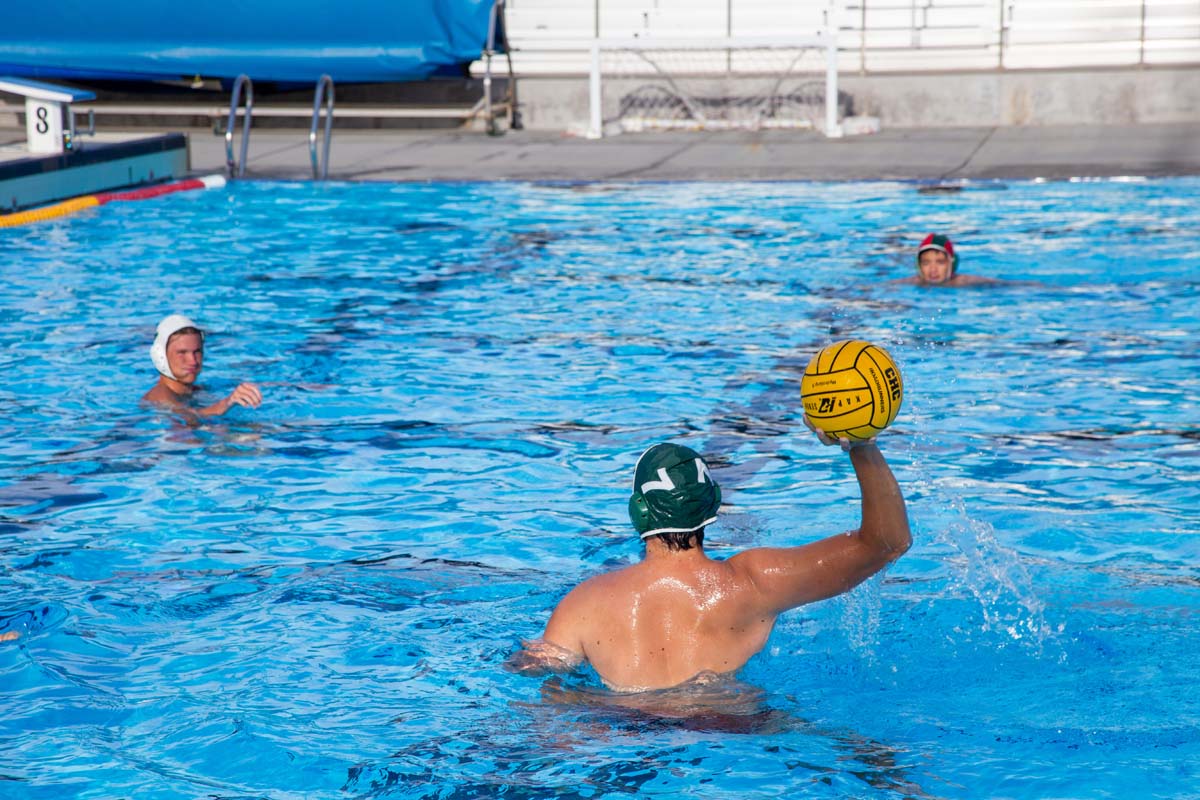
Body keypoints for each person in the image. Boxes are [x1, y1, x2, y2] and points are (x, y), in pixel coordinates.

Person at [507, 424, 911, 691]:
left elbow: (541, 681)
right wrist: (860, 444)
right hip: (735, 726)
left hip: (623, 733)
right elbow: (886, 543)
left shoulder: (584, 604)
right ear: (712, 504)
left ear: (638, 511)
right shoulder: (755, 583)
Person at [142, 314, 263, 417]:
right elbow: (188, 419)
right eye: (182, 353)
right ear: (160, 355)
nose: (193, 361)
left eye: (197, 352)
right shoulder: (159, 397)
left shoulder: (195, 390)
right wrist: (227, 402)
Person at [894, 233, 1002, 287]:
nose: (933, 269)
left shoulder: (964, 282)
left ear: (952, 264)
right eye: (926, 263)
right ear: (919, 266)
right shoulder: (912, 283)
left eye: (940, 262)